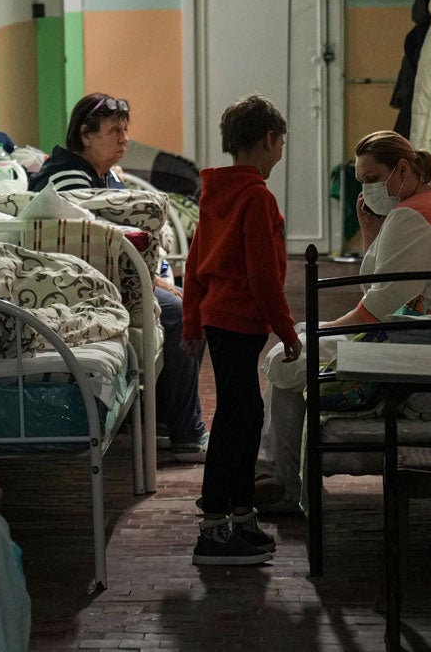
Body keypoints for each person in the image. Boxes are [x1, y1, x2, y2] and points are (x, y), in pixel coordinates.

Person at [252, 129, 431, 512]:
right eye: (361, 182)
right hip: (429, 335)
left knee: (287, 357)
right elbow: (381, 290)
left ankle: (279, 480)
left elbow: (375, 307)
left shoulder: (411, 217)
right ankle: (276, 475)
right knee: (297, 343)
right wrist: (371, 234)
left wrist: (328, 329)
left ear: (403, 169)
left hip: (421, 344)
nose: (367, 190)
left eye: (373, 179)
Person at [30, 92, 209, 460]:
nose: (125, 139)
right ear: (86, 135)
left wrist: (159, 278)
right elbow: (91, 251)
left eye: (126, 130)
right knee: (180, 312)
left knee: (189, 302)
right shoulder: (67, 183)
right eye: (115, 131)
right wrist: (158, 284)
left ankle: (164, 417)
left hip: (109, 279)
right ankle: (185, 434)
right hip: (79, 287)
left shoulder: (103, 175)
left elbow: (133, 238)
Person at [181, 94, 300, 565]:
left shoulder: (214, 194)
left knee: (243, 417)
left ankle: (240, 514)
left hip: (220, 321)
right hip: (239, 322)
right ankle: (214, 526)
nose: (281, 150)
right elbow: (263, 274)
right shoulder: (256, 197)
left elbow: (193, 267)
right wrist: (287, 330)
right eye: (281, 142)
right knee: (237, 421)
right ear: (269, 140)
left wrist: (192, 323)